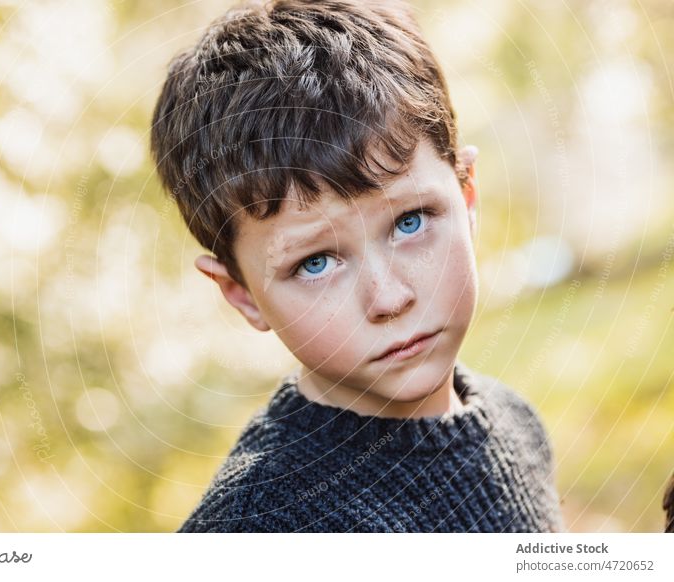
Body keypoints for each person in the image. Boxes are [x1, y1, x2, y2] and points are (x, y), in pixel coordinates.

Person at [151, 0, 565, 532]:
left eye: (411, 222)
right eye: (316, 263)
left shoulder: (517, 425)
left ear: (466, 197)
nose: (389, 298)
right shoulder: (257, 531)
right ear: (244, 295)